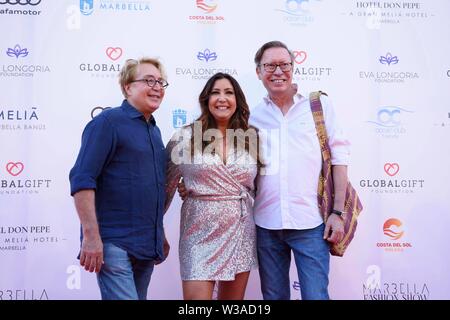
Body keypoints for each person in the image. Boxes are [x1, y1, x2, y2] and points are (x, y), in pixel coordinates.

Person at [250, 41, 350, 300]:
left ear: (293, 68)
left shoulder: (318, 106)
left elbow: (339, 158)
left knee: (316, 296)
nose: (278, 71)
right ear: (259, 72)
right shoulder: (252, 116)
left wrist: (337, 212)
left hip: (311, 223)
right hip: (266, 223)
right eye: (270, 65)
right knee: (273, 297)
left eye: (284, 64)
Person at [69, 57, 170, 300]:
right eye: (148, 80)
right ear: (128, 87)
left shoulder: (154, 131)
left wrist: (160, 234)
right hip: (114, 244)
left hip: (146, 246)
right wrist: (91, 237)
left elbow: (150, 188)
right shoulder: (107, 122)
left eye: (161, 82)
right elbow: (82, 180)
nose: (157, 87)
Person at [165, 72, 260, 300]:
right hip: (198, 233)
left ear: (237, 100)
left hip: (240, 229)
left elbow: (259, 187)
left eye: (229, 92)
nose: (222, 98)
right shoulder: (185, 137)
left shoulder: (251, 137)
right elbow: (164, 185)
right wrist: (155, 227)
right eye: (215, 92)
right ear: (206, 99)